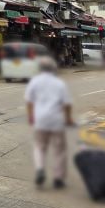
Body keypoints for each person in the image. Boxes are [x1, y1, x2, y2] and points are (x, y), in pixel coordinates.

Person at [24, 56, 74, 189]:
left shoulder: (34, 81)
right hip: (57, 120)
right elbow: (67, 104)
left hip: (40, 120)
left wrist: (31, 117)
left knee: (39, 147)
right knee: (59, 150)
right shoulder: (59, 83)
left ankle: (40, 169)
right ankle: (58, 178)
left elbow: (29, 101)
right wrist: (68, 118)